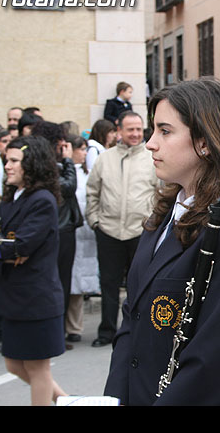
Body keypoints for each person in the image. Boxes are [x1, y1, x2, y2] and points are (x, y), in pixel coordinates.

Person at [103, 77, 220, 405]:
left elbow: (215, 361)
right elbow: (133, 318)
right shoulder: (166, 212)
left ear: (204, 142)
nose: (150, 143)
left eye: (165, 131)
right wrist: (115, 398)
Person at [0, 135, 67, 405]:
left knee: (38, 369)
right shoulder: (11, 198)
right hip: (15, 295)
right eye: (6, 160)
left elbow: (21, 245)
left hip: (36, 298)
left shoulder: (41, 199)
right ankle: (68, 401)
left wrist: (9, 249)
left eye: (14, 160)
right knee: (14, 365)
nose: (7, 166)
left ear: (33, 163)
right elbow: (4, 244)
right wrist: (6, 250)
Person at [86, 111, 158, 348]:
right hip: (108, 231)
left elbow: (162, 193)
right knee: (108, 284)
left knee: (141, 284)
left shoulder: (152, 158)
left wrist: (154, 224)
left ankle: (141, 331)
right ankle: (107, 331)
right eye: (130, 129)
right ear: (119, 130)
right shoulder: (104, 159)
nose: (136, 134)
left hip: (141, 233)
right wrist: (95, 220)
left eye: (139, 129)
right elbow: (93, 192)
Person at [29, 121, 82, 350]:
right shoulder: (48, 164)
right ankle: (56, 334)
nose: (64, 143)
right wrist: (69, 160)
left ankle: (53, 332)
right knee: (60, 282)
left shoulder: (37, 161)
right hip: (61, 230)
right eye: (60, 139)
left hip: (56, 229)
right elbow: (68, 186)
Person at [65, 135, 100, 344]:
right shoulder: (64, 171)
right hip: (69, 231)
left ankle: (74, 326)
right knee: (66, 278)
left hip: (84, 232)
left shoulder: (88, 173)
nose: (84, 153)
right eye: (80, 149)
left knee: (78, 282)